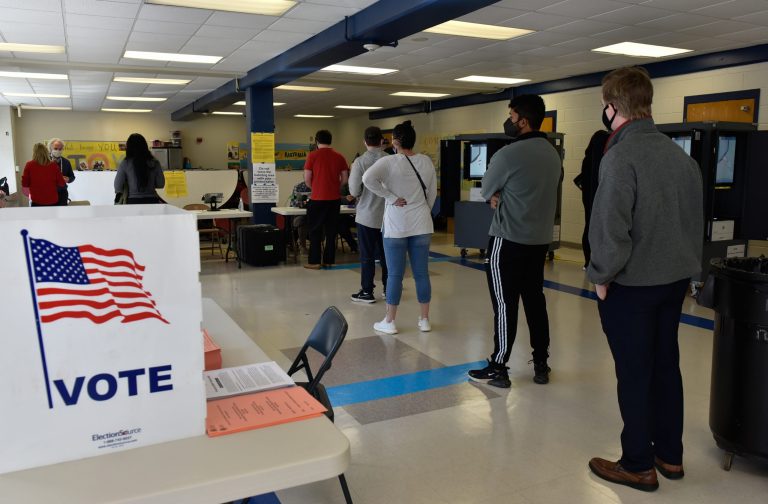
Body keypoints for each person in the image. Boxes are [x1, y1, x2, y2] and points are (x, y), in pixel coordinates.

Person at [586, 66, 703, 492]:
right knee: (665, 367)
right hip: (673, 283)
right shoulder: (680, 157)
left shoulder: (620, 157)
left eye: (604, 106)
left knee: (634, 373)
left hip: (631, 288)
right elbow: (694, 222)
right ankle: (670, 455)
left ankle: (637, 462)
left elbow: (610, 226)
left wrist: (601, 276)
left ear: (613, 108)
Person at [467, 94, 562, 388]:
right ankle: (542, 363)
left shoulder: (507, 155)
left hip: (507, 241)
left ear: (523, 120)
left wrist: (497, 195)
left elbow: (486, 190)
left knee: (505, 304)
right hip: (538, 242)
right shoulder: (552, 154)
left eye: (511, 116)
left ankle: (499, 365)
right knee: (535, 301)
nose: (509, 121)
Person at [363, 120, 436, 334]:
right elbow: (431, 194)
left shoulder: (390, 162)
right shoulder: (426, 161)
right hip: (422, 224)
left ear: (395, 141)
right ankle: (424, 320)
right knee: (422, 274)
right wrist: (422, 210)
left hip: (396, 225)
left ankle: (390, 321)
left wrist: (391, 197)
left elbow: (368, 179)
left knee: (395, 274)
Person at [348, 126, 389, 303]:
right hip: (388, 217)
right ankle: (389, 289)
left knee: (367, 256)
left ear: (365, 142)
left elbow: (354, 190)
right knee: (387, 255)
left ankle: (367, 291)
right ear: (381, 141)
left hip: (366, 216)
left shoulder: (359, 163)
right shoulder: (391, 160)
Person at [303, 129, 349, 269]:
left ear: (317, 141)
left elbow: (307, 179)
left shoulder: (312, 156)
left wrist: (316, 187)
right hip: (334, 199)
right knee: (331, 231)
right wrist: (335, 186)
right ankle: (329, 260)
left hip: (317, 199)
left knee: (315, 230)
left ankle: (314, 261)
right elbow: (345, 179)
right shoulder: (339, 156)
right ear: (331, 141)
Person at [574, 129, 610, 270]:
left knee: (589, 225)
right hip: (596, 195)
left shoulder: (590, 154)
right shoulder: (604, 146)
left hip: (589, 195)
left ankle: (588, 262)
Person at [114, 133, 165, 204]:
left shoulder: (125, 163)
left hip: (133, 202)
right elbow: (161, 184)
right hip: (152, 201)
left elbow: (118, 187)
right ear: (145, 146)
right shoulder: (155, 163)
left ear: (129, 147)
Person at [22, 143, 65, 207]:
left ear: (34, 152)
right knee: (52, 217)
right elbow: (62, 183)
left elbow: (24, 183)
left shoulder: (29, 165)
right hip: (52, 201)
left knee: (37, 217)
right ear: (46, 152)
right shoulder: (53, 165)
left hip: (36, 201)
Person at [48, 138, 75, 206]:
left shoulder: (66, 162)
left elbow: (72, 177)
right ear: (50, 149)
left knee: (62, 214)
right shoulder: (45, 161)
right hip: (47, 193)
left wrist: (68, 179)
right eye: (56, 148)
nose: (58, 151)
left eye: (60, 149)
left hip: (62, 193)